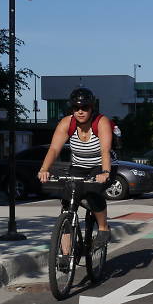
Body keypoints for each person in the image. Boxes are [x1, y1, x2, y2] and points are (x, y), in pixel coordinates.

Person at [38, 87, 113, 249]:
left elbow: (105, 151)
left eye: (84, 108)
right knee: (67, 205)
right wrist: (44, 169)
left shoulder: (101, 122)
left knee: (93, 194)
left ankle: (103, 228)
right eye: (76, 108)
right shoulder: (67, 123)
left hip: (98, 166)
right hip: (78, 166)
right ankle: (65, 255)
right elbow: (54, 149)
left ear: (92, 108)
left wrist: (105, 172)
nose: (80, 111)